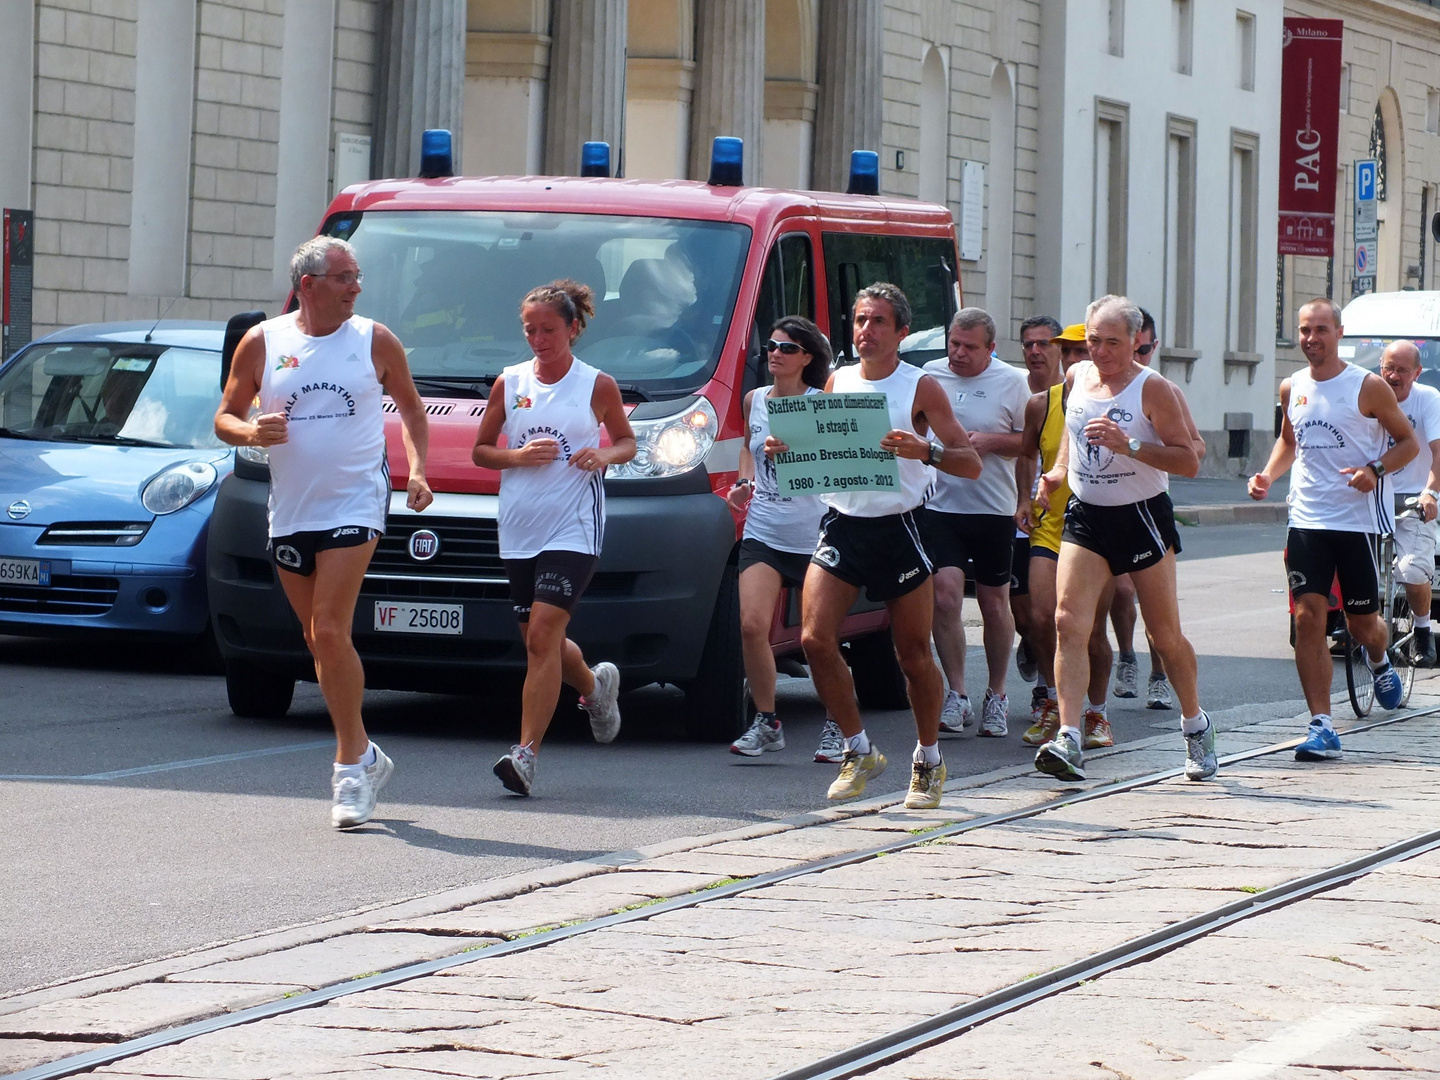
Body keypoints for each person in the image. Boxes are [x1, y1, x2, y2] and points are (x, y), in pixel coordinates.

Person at [215, 236, 433, 829]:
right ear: (308, 285)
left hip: (355, 502)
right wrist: (251, 433)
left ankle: (347, 771)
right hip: (291, 508)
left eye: (357, 276)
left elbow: (412, 410)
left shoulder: (374, 340)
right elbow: (225, 415)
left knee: (332, 629)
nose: (356, 287)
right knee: (318, 642)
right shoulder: (264, 341)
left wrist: (416, 469)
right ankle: (366, 752)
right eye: (344, 277)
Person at [767, 283, 981, 809]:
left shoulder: (920, 388)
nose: (866, 330)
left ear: (901, 332)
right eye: (861, 320)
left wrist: (924, 449)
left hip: (901, 527)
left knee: (911, 655)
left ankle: (928, 759)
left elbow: (969, 463)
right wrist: (787, 448)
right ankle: (857, 748)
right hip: (842, 523)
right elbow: (824, 448)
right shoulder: (837, 380)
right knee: (815, 640)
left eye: (879, 321)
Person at [1034, 295, 1215, 782]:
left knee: (1164, 635)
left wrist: (1129, 444)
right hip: (1087, 515)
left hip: (1141, 515)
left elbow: (1189, 459)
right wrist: (1056, 474)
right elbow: (1073, 435)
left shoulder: (1153, 389)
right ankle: (1069, 736)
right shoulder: (1075, 378)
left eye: (1113, 342)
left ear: (1136, 341)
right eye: (1093, 340)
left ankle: (1195, 723)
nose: (1101, 351)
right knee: (1068, 621)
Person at [471, 280, 637, 795]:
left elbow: (627, 442)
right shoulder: (510, 382)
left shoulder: (596, 385)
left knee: (542, 635)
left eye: (548, 330)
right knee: (538, 641)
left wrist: (604, 455)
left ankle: (525, 756)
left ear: (574, 328)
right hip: (520, 525)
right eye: (530, 330)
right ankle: (594, 687)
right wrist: (516, 458)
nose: (539, 339)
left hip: (574, 526)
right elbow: (481, 451)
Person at [1249, 300, 1419, 759]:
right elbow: (1289, 439)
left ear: (1339, 333)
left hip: (1357, 523)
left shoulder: (1368, 387)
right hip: (1306, 519)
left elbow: (1408, 443)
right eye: (1304, 330)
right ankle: (1321, 725)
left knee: (1364, 626)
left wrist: (1375, 469)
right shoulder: (1292, 386)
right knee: (1309, 617)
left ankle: (1381, 660)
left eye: (1321, 329)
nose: (1311, 339)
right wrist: (1267, 475)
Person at [725, 316, 843, 761]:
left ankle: (838, 723)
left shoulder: (823, 399)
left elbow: (840, 460)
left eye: (787, 348)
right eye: (771, 346)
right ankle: (767, 721)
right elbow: (746, 449)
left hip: (816, 534)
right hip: (764, 531)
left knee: (820, 638)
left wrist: (798, 451)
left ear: (807, 358)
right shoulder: (756, 400)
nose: (774, 353)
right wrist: (744, 482)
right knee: (752, 626)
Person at [920, 308, 1031, 738]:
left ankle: (997, 694)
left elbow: (1030, 442)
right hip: (941, 507)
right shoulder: (930, 376)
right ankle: (958, 693)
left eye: (969, 346)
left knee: (993, 604)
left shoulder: (1012, 381)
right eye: (954, 343)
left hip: (992, 509)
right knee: (945, 598)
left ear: (991, 348)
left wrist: (990, 442)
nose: (958, 353)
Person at [1015, 321, 1119, 751]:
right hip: (1051, 524)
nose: (1079, 359)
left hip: (1099, 526)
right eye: (1071, 352)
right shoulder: (1042, 404)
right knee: (1042, 617)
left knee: (1090, 629)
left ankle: (1096, 712)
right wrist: (1024, 498)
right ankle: (1055, 703)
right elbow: (1025, 453)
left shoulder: (1115, 400)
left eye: (1084, 351)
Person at [1109, 308, 1208, 709]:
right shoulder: (1095, 382)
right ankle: (1127, 656)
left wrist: (1146, 449)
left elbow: (1195, 449)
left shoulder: (1161, 388)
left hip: (1148, 505)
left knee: (1150, 603)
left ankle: (1157, 673)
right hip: (1100, 506)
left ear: (1150, 345)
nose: (1141, 355)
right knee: (1118, 591)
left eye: (1146, 348)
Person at [1010, 315, 1065, 704]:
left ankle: (1052, 690)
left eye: (1043, 343)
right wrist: (1023, 500)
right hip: (1021, 517)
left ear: (1059, 348)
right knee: (1027, 614)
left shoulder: (1076, 392)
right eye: (1028, 344)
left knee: (1060, 614)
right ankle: (1031, 642)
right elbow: (1025, 453)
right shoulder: (1015, 389)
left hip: (1071, 517)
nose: (1034, 351)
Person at [1377, 340, 1440, 666]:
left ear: (1416, 373)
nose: (1394, 375)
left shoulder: (1428, 399)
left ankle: (1422, 629)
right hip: (1373, 493)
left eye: (1402, 370)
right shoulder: (1370, 395)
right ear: (1380, 366)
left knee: (1412, 570)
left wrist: (1431, 493)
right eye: (1389, 367)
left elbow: (1439, 452)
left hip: (1416, 494)